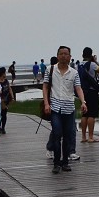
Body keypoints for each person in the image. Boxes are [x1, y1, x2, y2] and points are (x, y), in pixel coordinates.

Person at [42, 46, 86, 174]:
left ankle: (65, 162)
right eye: (61, 54)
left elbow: (78, 88)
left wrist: (83, 102)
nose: (63, 56)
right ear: (57, 56)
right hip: (55, 108)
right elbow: (45, 87)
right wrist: (46, 103)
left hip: (69, 108)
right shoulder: (50, 70)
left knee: (67, 136)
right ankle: (56, 163)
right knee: (56, 134)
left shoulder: (74, 72)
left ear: (70, 57)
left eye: (66, 54)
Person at [78, 47, 99, 143]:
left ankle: (84, 137)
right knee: (92, 115)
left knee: (85, 114)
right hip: (92, 91)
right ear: (91, 55)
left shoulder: (79, 65)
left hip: (83, 92)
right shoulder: (92, 64)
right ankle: (91, 137)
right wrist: (95, 61)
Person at [0, 66, 14, 135]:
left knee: (4, 114)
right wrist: (1, 100)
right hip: (0, 101)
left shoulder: (6, 80)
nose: (5, 74)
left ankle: (3, 128)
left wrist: (12, 97)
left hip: (6, 100)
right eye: (4, 72)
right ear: (1, 73)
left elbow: (9, 88)